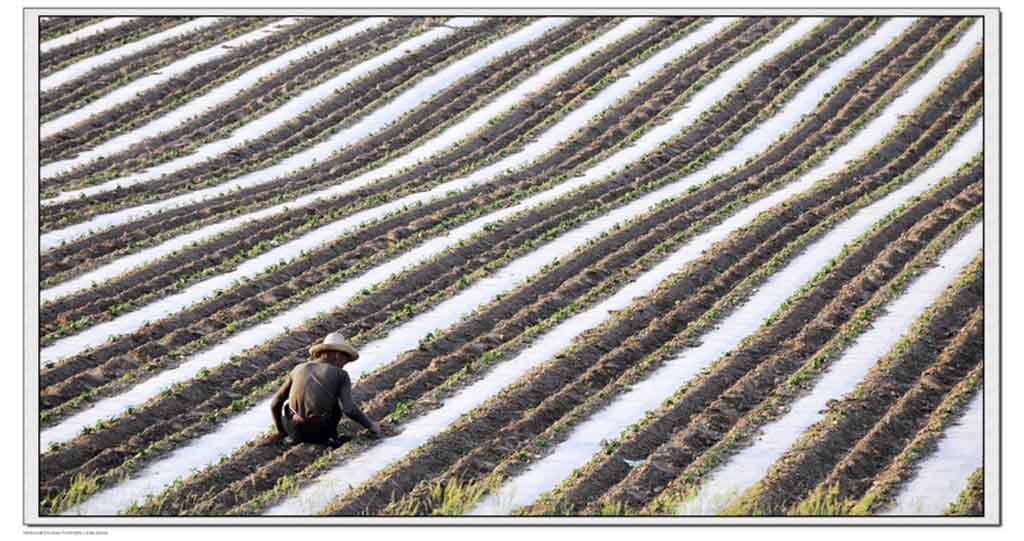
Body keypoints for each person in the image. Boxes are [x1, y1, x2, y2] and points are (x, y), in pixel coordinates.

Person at [271, 331, 381, 448]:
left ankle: (293, 438)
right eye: (345, 359)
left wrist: (282, 432)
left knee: (290, 404)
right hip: (320, 433)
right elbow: (349, 409)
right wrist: (371, 425)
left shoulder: (298, 369)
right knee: (335, 406)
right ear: (338, 355)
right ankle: (331, 439)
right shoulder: (341, 374)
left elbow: (275, 403)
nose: (344, 364)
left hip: (292, 429)